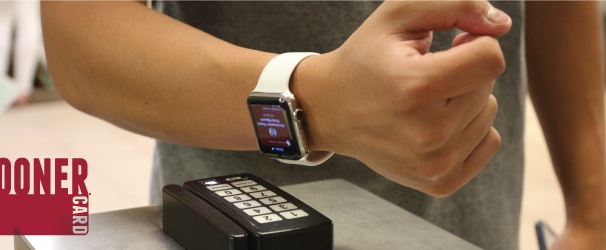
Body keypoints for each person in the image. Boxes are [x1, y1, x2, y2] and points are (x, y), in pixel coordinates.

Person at [40, 1, 606, 249]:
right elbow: (78, 34)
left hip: (477, 226)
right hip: (241, 225)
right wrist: (314, 103)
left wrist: (593, 211)